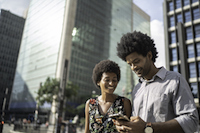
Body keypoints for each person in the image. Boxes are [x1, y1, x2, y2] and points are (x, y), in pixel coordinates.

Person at [115, 31, 199, 133]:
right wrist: (127, 127)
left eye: (136, 62)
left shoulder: (175, 80)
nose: (133, 68)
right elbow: (138, 125)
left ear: (149, 55)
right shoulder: (137, 89)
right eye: (130, 64)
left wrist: (148, 127)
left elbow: (191, 121)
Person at [85, 60, 132, 133]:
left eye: (114, 80)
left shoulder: (124, 103)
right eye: (107, 80)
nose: (111, 83)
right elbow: (87, 131)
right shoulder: (90, 104)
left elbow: (130, 130)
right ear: (98, 81)